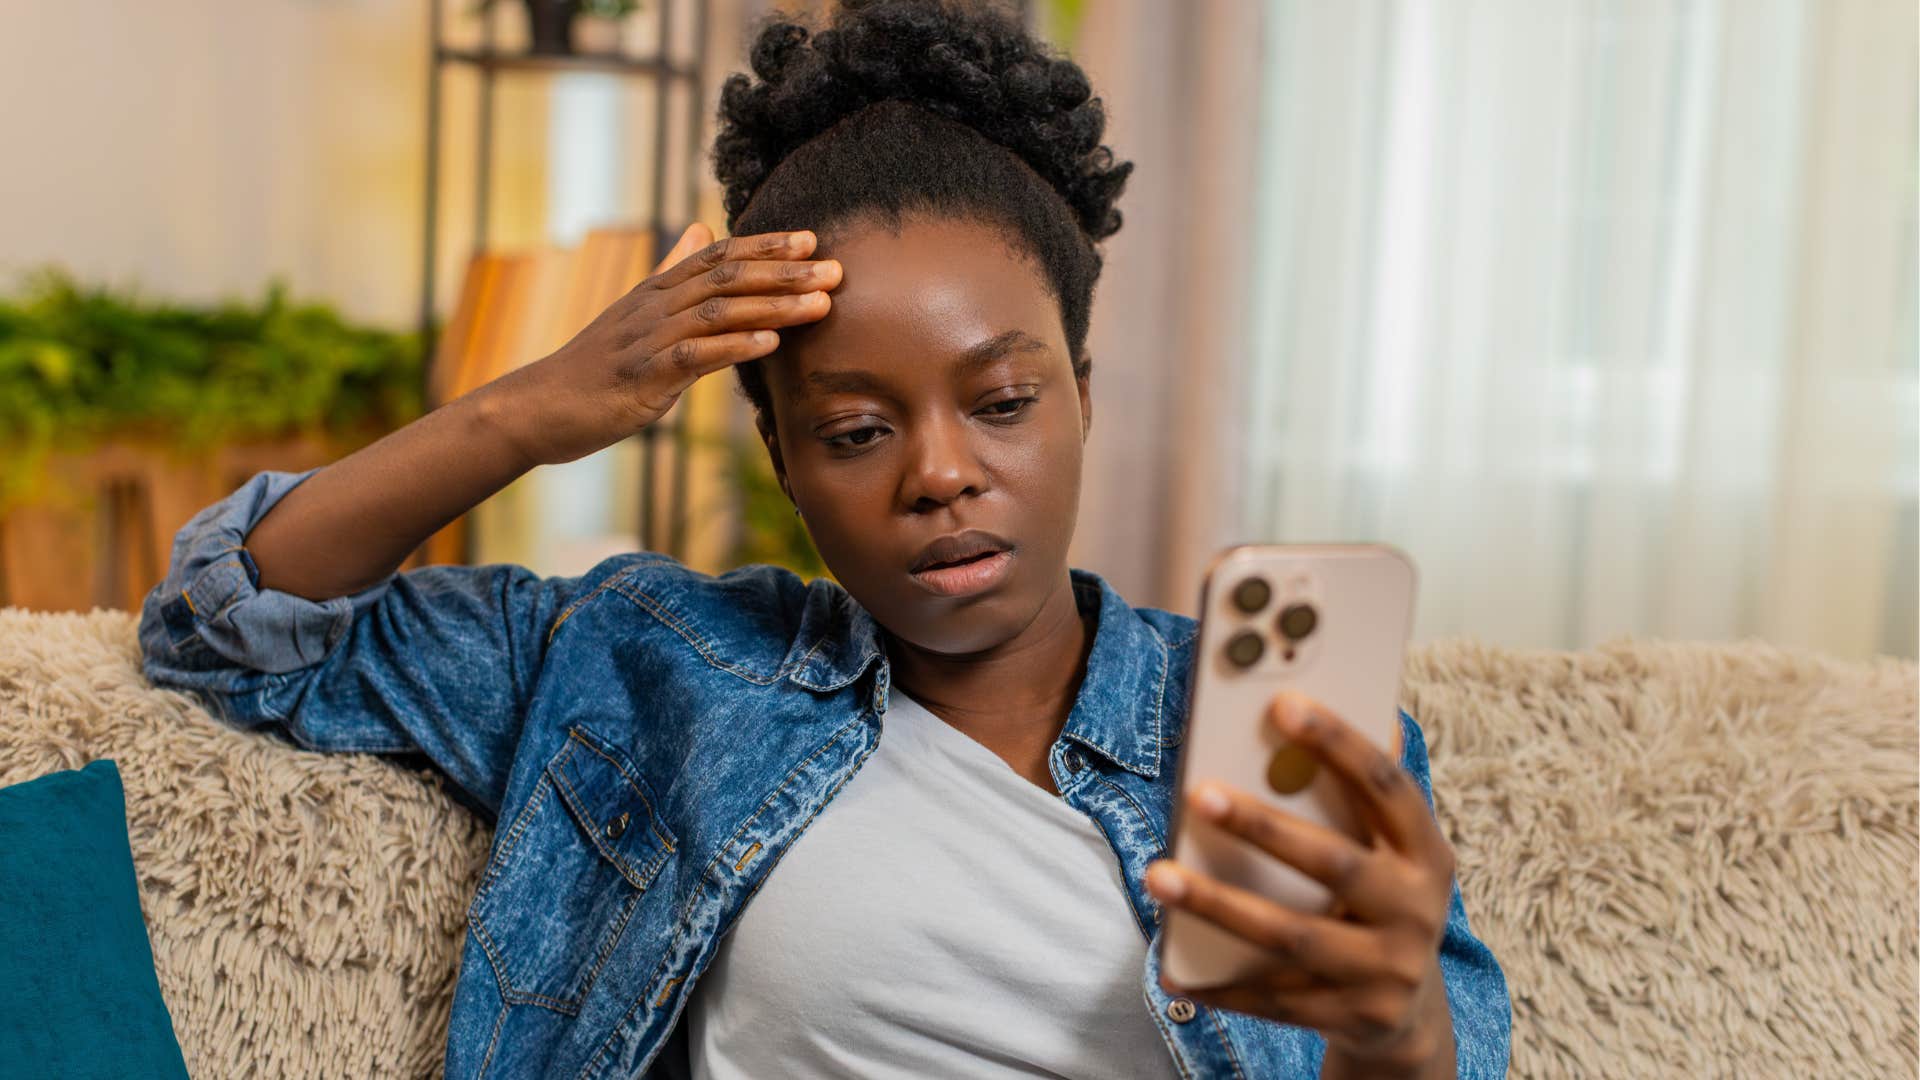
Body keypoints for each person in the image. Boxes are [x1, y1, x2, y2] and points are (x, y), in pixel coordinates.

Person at [138, 1, 1511, 1076]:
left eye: (1004, 403)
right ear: (783, 458)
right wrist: (527, 411)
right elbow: (229, 629)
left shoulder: (1281, 740)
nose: (942, 474)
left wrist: (1399, 1035)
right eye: (856, 430)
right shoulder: (649, 664)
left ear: (1084, 398)